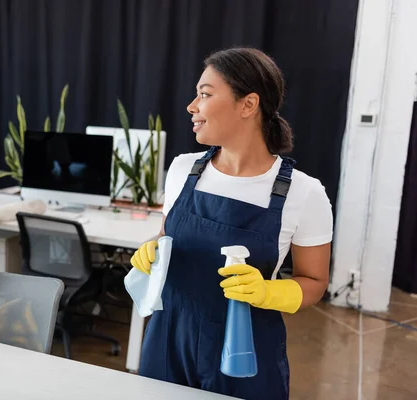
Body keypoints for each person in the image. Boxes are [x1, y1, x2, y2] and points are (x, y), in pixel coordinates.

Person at [130, 48, 332, 399]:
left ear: (248, 105)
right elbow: (167, 235)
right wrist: (152, 251)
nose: (193, 106)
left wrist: (270, 292)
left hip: (244, 351)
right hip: (167, 342)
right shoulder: (182, 169)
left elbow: (314, 283)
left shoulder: (304, 192)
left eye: (205, 94)